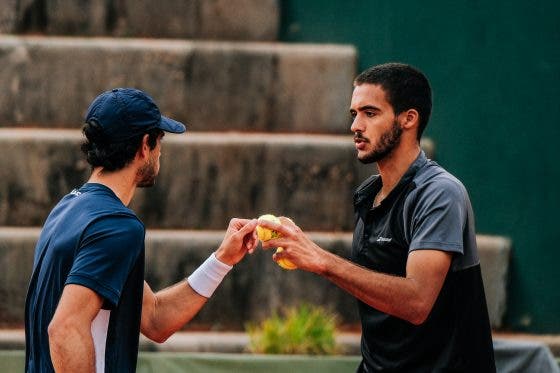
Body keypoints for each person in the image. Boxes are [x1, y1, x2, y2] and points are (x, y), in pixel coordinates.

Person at [259, 63, 496, 372]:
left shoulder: (440, 193)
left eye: (370, 113)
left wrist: (322, 260)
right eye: (353, 114)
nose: (356, 126)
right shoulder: (369, 195)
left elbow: (416, 303)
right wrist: (304, 246)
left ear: (408, 119)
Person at [24, 88, 259, 372]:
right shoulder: (116, 226)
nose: (161, 151)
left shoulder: (67, 209)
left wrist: (222, 260)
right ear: (145, 146)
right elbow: (64, 328)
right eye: (160, 140)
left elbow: (154, 318)